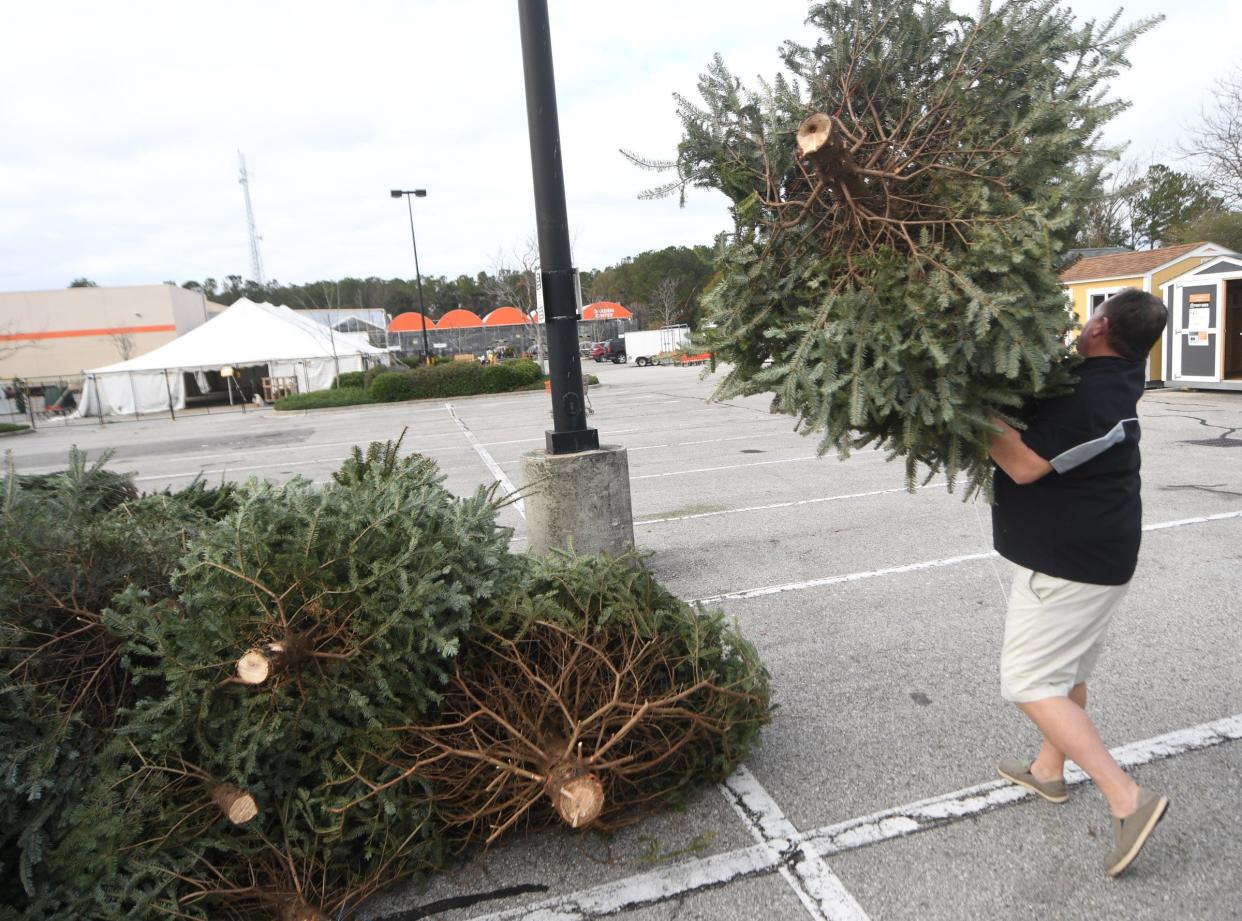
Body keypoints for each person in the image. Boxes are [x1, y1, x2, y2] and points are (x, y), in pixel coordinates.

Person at [987, 287, 1169, 878]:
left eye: (1091, 316)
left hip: (1071, 564)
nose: (1083, 323)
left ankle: (1126, 798)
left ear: (1100, 329)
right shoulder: (1114, 378)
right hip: (1102, 554)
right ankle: (1048, 771)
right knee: (1067, 674)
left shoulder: (1091, 395)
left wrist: (964, 403)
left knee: (1028, 679)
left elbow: (1022, 464)